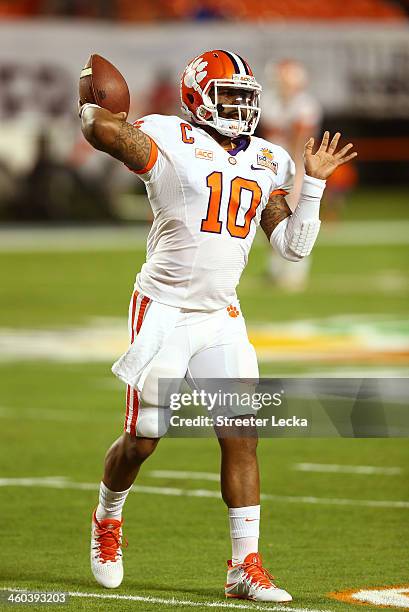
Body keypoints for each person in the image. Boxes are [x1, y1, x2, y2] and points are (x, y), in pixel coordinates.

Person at [79, 49, 356, 602]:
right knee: (143, 440)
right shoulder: (169, 139)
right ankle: (107, 518)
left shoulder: (271, 160)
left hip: (220, 316)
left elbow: (293, 249)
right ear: (197, 98)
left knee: (242, 436)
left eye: (244, 97)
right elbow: (104, 130)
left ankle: (243, 566)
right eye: (228, 96)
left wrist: (314, 185)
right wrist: (91, 105)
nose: (238, 107)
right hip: (164, 309)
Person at [262, 59, 323, 290]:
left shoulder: (306, 105)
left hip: (296, 166)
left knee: (297, 219)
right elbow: (269, 137)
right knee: (268, 217)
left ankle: (297, 269)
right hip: (273, 166)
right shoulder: (271, 102)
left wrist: (295, 173)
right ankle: (275, 267)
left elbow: (299, 144)